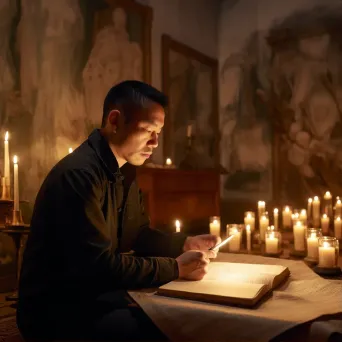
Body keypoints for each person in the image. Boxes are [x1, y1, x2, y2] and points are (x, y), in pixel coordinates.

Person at [17, 80, 220, 341]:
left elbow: (138, 234)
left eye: (159, 132)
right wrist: (175, 268)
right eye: (148, 130)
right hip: (57, 312)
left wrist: (185, 243)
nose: (156, 142)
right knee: (168, 326)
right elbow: (99, 268)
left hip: (95, 297)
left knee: (187, 315)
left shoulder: (123, 171)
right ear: (115, 121)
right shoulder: (79, 176)